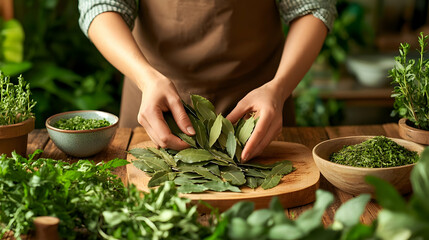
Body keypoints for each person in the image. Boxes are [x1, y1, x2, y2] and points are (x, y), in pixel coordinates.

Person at [78, 0, 336, 162]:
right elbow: (100, 5)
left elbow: (313, 7)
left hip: (258, 107)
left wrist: (278, 88)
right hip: (156, 102)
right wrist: (145, 77)